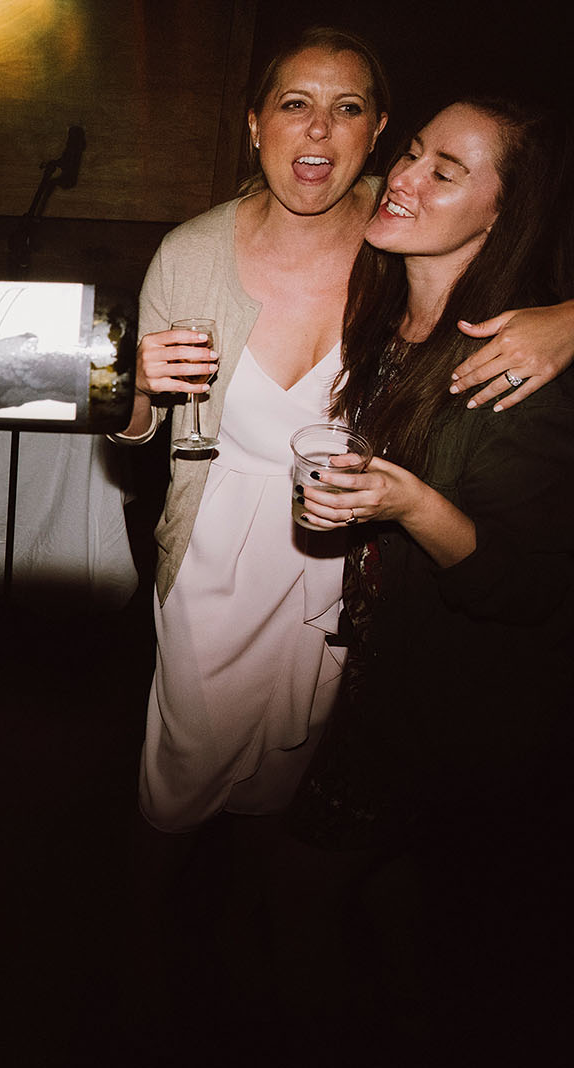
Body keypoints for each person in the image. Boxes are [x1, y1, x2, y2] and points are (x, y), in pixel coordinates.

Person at [114, 26, 574, 834]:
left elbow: (514, 245)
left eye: (347, 108)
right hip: (215, 552)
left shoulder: (398, 238)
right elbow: (139, 431)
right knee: (181, 776)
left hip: (348, 569)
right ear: (255, 123)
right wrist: (128, 383)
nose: (319, 129)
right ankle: (153, 926)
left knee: (294, 784)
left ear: (376, 132)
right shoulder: (190, 253)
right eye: (295, 104)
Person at [284, 96, 572, 1058]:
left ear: (502, 213)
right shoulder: (383, 315)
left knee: (308, 892)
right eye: (410, 153)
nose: (402, 176)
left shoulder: (512, 364)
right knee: (403, 904)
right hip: (376, 669)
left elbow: (524, 585)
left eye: (444, 170)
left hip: (456, 707)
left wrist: (410, 507)